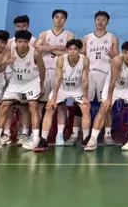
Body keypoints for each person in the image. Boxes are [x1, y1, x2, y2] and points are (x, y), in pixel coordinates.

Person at [34, 39, 91, 152]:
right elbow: (58, 79)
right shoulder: (61, 60)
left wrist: (85, 97)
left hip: (77, 89)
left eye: (75, 49)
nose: (72, 51)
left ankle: (86, 139)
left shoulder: (85, 60)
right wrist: (53, 98)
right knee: (49, 108)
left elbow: (85, 79)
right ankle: (43, 140)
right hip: (62, 88)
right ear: (67, 50)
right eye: (70, 49)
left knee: (85, 108)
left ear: (79, 50)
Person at [0, 30, 45, 150]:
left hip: (31, 82)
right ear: (16, 41)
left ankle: (35, 138)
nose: (22, 44)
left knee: (33, 105)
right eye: (20, 41)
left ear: (29, 42)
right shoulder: (9, 51)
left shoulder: (35, 53)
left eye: (25, 42)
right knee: (4, 105)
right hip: (15, 83)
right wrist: (7, 62)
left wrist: (41, 85)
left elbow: (42, 69)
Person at [87, 41, 128, 151]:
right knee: (104, 108)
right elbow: (113, 81)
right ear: (122, 52)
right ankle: (93, 139)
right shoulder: (117, 60)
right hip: (113, 86)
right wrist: (109, 99)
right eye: (125, 52)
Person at [35, 9, 74, 145]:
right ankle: (37, 134)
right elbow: (38, 48)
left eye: (62, 17)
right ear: (53, 19)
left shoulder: (69, 35)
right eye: (56, 17)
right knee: (41, 104)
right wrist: (57, 47)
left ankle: (59, 135)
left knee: (61, 105)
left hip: (60, 73)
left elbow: (69, 54)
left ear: (65, 20)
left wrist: (48, 47)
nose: (59, 19)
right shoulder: (44, 34)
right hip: (45, 72)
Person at [83, 10, 118, 144]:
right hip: (90, 74)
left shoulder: (112, 38)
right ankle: (84, 135)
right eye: (98, 19)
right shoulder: (87, 38)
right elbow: (82, 56)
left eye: (103, 19)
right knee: (84, 104)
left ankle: (107, 135)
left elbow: (117, 58)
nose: (100, 22)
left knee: (106, 105)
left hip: (105, 74)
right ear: (95, 21)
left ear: (107, 22)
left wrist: (113, 56)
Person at [6, 16, 36, 146]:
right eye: (18, 26)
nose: (21, 28)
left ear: (28, 25)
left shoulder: (34, 41)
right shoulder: (9, 43)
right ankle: (6, 133)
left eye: (23, 26)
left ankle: (24, 132)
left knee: (24, 107)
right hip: (11, 78)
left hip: (27, 79)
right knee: (8, 105)